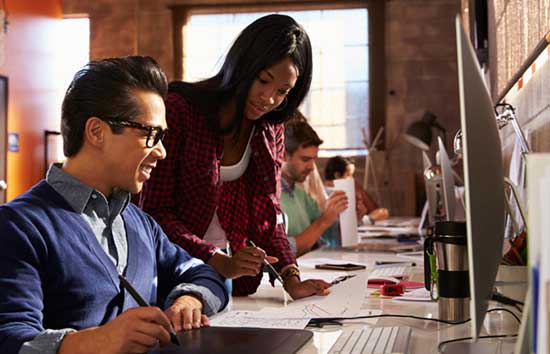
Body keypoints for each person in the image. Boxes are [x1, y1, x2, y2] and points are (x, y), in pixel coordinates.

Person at [0, 56, 229, 354]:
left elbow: (207, 275)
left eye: (163, 137)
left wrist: (189, 300)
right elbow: (9, 337)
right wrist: (93, 342)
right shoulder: (18, 226)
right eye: (150, 134)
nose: (161, 151)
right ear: (96, 132)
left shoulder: (140, 223)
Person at [139, 14, 330, 299]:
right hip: (172, 274)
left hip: (231, 284)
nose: (269, 98)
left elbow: (271, 214)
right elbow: (154, 212)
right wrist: (216, 258)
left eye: (283, 92)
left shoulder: (270, 128)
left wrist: (291, 276)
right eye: (264, 80)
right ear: (243, 65)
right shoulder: (181, 111)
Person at [280, 119, 349, 256]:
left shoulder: (299, 194)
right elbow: (283, 251)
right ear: (283, 155)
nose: (312, 167)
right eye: (305, 159)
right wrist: (324, 221)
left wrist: (348, 216)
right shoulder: (270, 196)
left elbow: (331, 236)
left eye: (314, 159)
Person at [324, 155, 389, 224]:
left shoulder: (346, 191)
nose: (352, 179)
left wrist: (360, 190)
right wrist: (369, 219)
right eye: (349, 175)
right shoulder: (331, 193)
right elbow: (343, 224)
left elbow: (374, 210)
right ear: (337, 175)